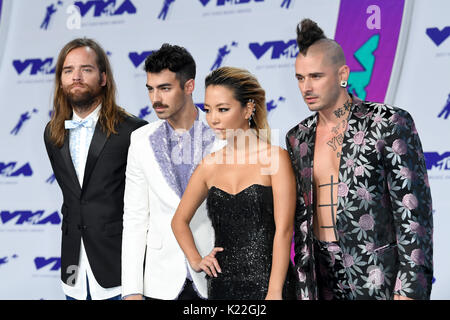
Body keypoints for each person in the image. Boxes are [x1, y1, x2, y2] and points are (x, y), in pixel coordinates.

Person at [286, 19, 433, 300]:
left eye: (316, 76)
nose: (306, 87)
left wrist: (410, 289)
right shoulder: (298, 138)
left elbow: (414, 214)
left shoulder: (388, 122)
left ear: (342, 73)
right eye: (300, 78)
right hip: (319, 279)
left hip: (378, 276)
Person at [171, 66, 298, 300]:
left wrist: (275, 290)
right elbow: (179, 221)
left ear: (248, 108)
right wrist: (197, 259)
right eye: (208, 110)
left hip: (269, 283)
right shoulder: (208, 165)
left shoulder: (274, 157)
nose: (213, 119)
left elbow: (284, 231)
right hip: (222, 285)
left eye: (223, 109)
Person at [43, 38, 147, 300]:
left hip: (121, 273)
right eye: (68, 71)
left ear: (103, 78)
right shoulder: (52, 132)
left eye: (85, 69)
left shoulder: (134, 131)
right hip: (73, 272)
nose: (76, 77)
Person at [121, 44, 224, 300]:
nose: (156, 98)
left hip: (217, 275)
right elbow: (134, 219)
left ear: (189, 86)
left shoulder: (225, 136)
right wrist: (131, 289)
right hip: (161, 280)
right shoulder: (140, 140)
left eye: (165, 88)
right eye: (150, 89)